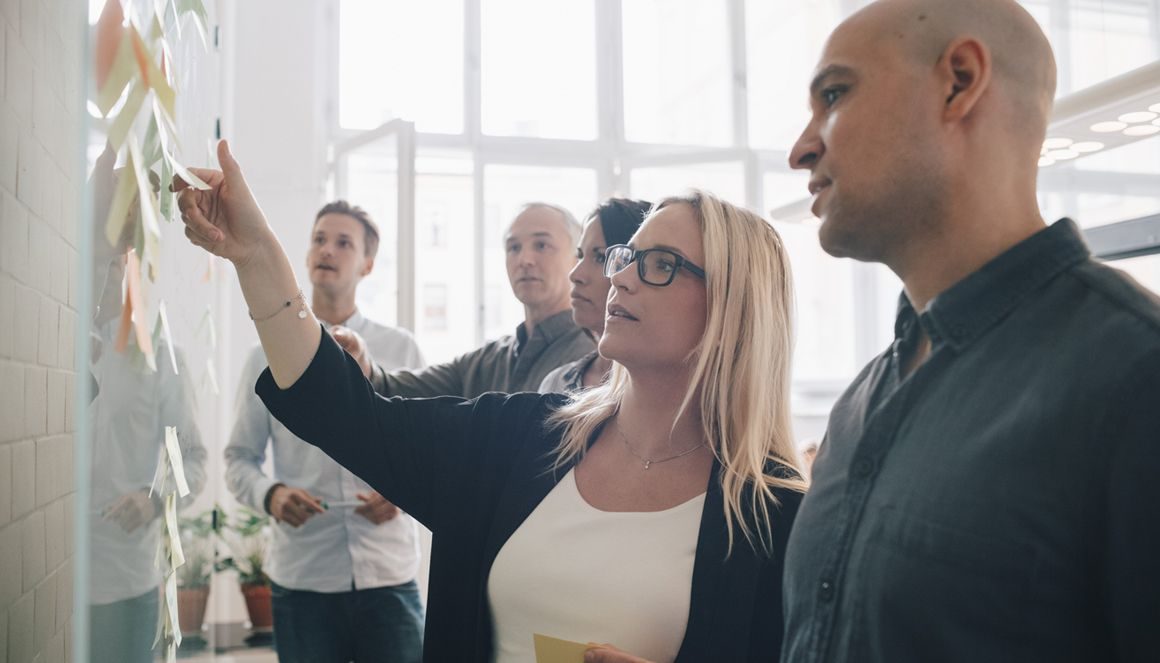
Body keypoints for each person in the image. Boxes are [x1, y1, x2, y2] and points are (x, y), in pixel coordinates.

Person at [176, 147, 805, 662]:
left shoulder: (776, 516)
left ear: (735, 304)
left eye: (661, 264)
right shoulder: (519, 436)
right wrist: (256, 256)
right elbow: (343, 412)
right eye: (625, 257)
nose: (620, 276)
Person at [781, 1, 1160, 661]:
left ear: (958, 81)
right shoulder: (859, 407)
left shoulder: (1135, 381)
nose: (801, 148)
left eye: (834, 94)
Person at [225, 200, 426, 663]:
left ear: (367, 264)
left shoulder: (402, 348)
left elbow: (428, 450)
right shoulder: (264, 356)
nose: (327, 250)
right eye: (319, 239)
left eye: (343, 243)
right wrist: (271, 494)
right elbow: (239, 457)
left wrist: (403, 492)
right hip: (303, 582)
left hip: (388, 578)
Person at [349, 202, 594, 399]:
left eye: (541, 245)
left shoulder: (595, 357)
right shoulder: (488, 361)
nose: (524, 259)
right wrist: (362, 363)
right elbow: (394, 388)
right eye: (513, 247)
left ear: (577, 259)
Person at [540, 198, 651, 394]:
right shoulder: (555, 383)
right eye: (580, 255)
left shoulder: (662, 392)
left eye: (600, 258)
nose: (575, 275)